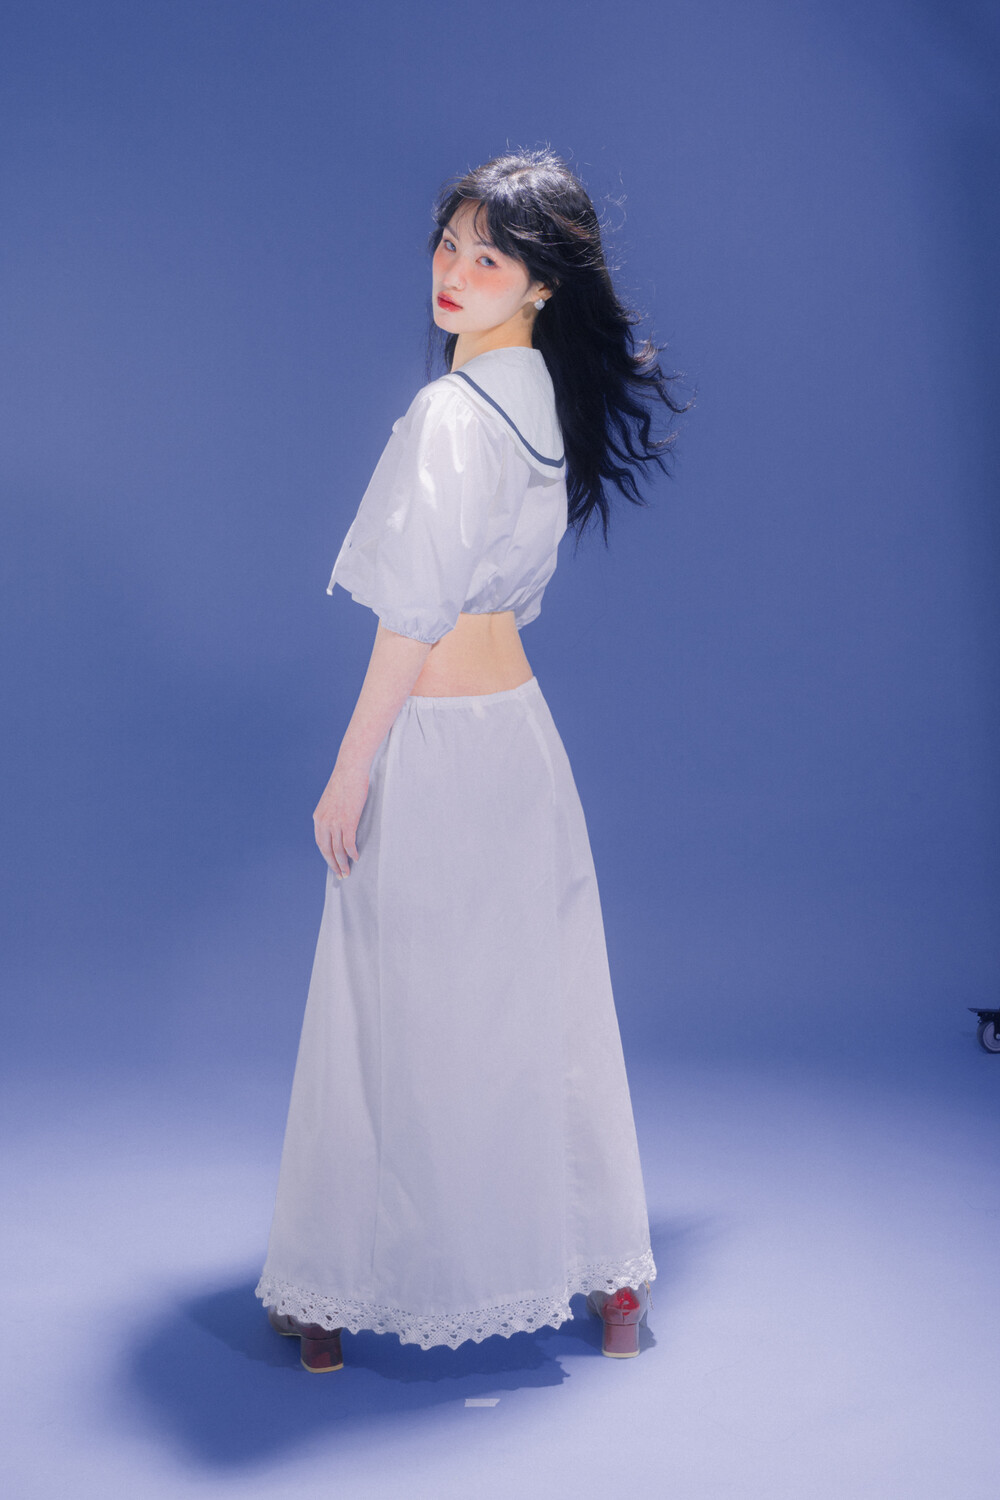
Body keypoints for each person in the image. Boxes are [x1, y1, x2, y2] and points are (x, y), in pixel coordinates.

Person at [255, 147, 686, 1373]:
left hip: (440, 743)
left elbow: (413, 614)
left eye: (487, 257)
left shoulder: (453, 411)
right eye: (448, 245)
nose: (453, 271)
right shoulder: (540, 396)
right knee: (544, 1001)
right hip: (520, 740)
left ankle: (332, 1294)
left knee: (383, 1007)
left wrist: (352, 762)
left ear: (540, 282)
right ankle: (608, 1276)